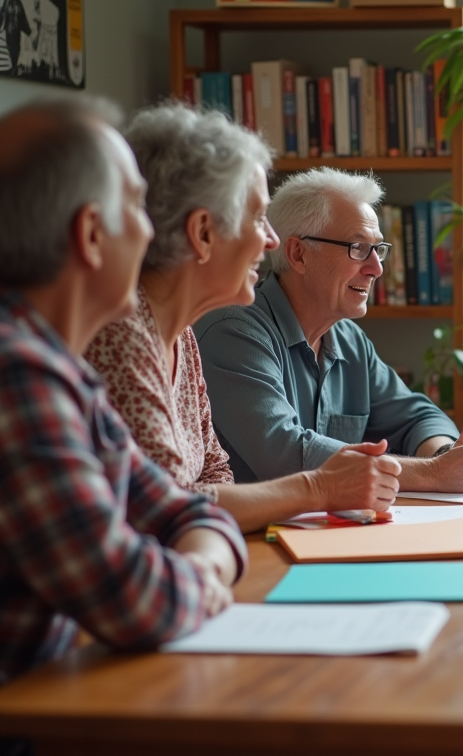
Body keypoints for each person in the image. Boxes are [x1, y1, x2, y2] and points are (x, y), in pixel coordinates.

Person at [0, 97, 245, 685]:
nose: (150, 231)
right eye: (136, 206)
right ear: (91, 234)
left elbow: (181, 508)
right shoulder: (18, 375)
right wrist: (204, 574)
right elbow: (131, 596)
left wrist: (200, 559)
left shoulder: (61, 370)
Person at [85, 105, 403, 533]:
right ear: (203, 233)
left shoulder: (181, 335)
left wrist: (213, 535)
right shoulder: (123, 339)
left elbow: (215, 478)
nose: (271, 240)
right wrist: (319, 487)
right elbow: (166, 510)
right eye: (257, 218)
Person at [195, 167, 463, 490]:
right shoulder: (233, 333)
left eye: (378, 249)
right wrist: (434, 472)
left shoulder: (349, 340)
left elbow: (419, 416)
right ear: (298, 254)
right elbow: (285, 455)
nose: (376, 269)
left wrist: (445, 454)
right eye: (357, 248)